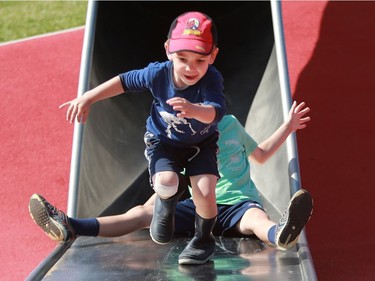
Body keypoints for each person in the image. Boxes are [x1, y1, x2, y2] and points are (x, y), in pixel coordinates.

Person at [29, 101, 313, 264]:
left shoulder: (231, 125)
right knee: (142, 214)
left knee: (255, 219)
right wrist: (157, 202)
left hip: (238, 204)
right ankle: (72, 226)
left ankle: (281, 235)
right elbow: (171, 172)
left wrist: (287, 127)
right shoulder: (185, 136)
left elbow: (261, 155)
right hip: (200, 208)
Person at [57, 11, 226, 265]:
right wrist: (89, 97)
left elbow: (217, 112)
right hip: (164, 142)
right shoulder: (158, 74)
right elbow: (124, 81)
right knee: (167, 182)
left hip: (200, 145)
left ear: (212, 56)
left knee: (205, 191)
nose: (190, 68)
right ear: (168, 50)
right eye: (182, 59)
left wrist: (195, 110)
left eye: (200, 61)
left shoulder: (212, 79)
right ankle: (166, 203)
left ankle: (203, 239)